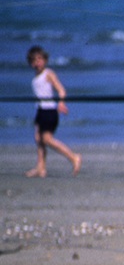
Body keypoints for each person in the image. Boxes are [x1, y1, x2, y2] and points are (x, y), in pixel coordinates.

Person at [26, 46, 82, 178]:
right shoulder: (35, 78)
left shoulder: (48, 74)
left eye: (40, 59)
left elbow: (61, 90)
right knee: (38, 139)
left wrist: (61, 102)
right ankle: (41, 167)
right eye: (34, 60)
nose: (37, 63)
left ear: (45, 60)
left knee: (47, 139)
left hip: (49, 110)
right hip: (40, 110)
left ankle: (73, 157)